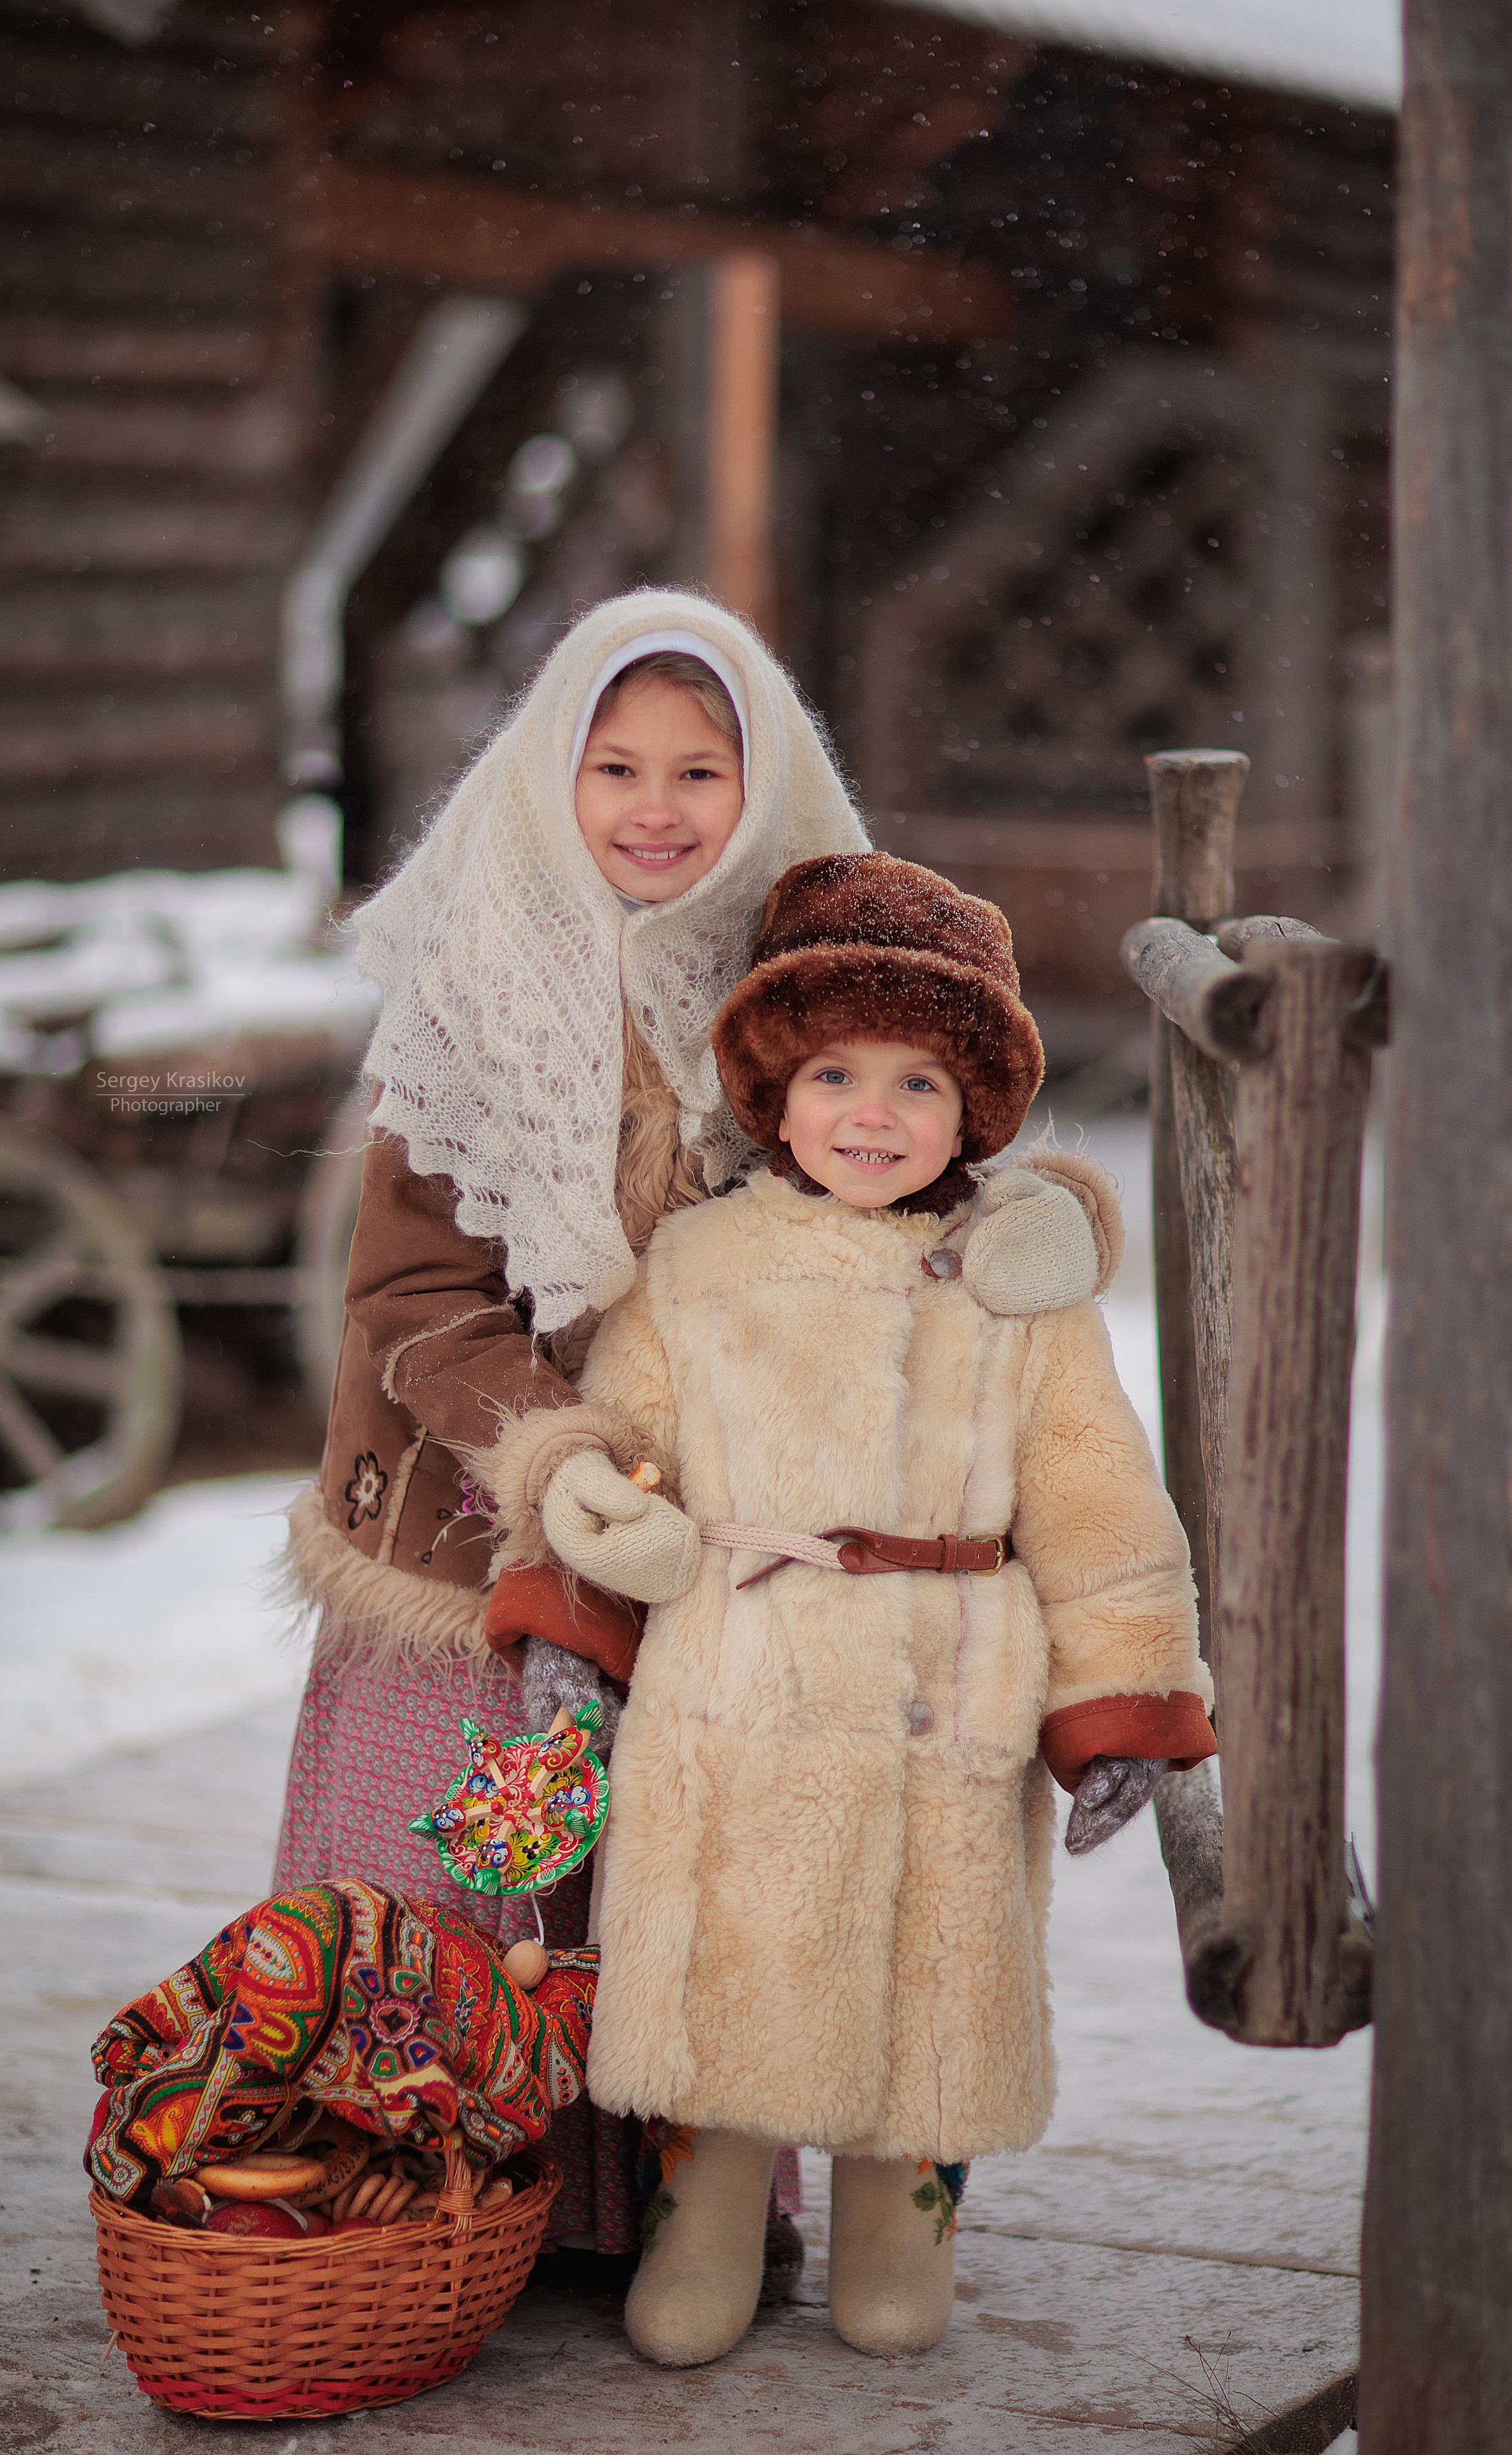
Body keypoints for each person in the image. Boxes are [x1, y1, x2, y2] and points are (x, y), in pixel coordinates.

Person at [273, 593, 1110, 2269]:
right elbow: (415, 1291)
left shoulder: (790, 980)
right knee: (453, 1870)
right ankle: (398, 2223)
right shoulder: (474, 979)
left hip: (730, 1527)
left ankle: (640, 2218)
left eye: (701, 771)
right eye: (616, 766)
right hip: (476, 1515)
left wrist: (1045, 1217)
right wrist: (556, 1459)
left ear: (765, 782)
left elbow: (912, 1156)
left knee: (675, 1878)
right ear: (547, 778)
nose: (655, 808)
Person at [527, 850, 1217, 2367]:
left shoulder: (1017, 1289)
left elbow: (1097, 1508)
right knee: (732, 1958)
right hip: (739, 1670)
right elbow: (612, 1435)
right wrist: (592, 1551)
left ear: (971, 1114)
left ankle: (898, 2221)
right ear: (772, 1097)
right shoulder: (698, 1264)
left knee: (929, 1979)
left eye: (918, 1085)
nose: (872, 1115)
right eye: (834, 1073)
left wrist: (1118, 1708)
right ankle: (702, 2223)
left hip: (942, 1683)